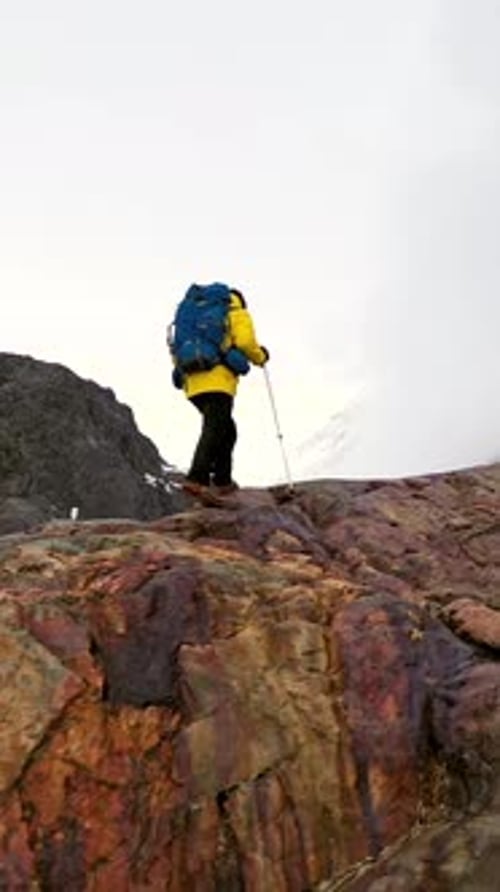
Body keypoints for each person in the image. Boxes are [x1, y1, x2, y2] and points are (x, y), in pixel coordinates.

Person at [173, 287, 268, 497]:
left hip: (192, 380)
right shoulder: (235, 311)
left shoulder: (190, 314)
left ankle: (222, 480)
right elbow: (245, 342)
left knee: (226, 429)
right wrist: (260, 357)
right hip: (218, 380)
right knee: (215, 428)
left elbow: (176, 346)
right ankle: (198, 478)